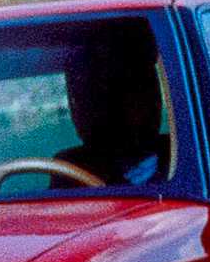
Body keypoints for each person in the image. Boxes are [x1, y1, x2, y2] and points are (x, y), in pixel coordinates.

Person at [54, 30, 168, 187]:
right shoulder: (69, 167)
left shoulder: (183, 156)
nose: (105, 109)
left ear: (151, 98)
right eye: (83, 98)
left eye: (118, 92)